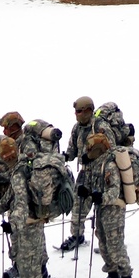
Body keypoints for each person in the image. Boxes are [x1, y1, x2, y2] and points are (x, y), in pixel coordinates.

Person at [0, 132, 62, 278]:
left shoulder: (19, 172)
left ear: (16, 151)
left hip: (28, 226)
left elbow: (22, 205)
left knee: (31, 269)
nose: (8, 157)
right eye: (4, 155)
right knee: (24, 267)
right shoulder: (20, 168)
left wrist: (13, 224)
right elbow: (12, 195)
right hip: (24, 225)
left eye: (9, 153)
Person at [80, 131, 135, 278]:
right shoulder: (95, 164)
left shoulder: (109, 165)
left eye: (90, 147)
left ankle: (126, 277)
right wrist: (86, 191)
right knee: (103, 243)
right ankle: (112, 274)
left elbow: (114, 190)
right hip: (102, 209)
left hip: (113, 210)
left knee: (115, 244)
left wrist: (100, 197)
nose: (88, 150)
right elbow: (92, 185)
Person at [60, 95, 99, 251]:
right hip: (85, 172)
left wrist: (91, 157)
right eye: (75, 112)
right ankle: (77, 235)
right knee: (78, 205)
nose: (76, 114)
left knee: (103, 206)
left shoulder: (99, 127)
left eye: (79, 111)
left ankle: (108, 240)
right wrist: (65, 157)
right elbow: (72, 150)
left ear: (89, 111)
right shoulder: (77, 128)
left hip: (100, 172)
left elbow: (109, 150)